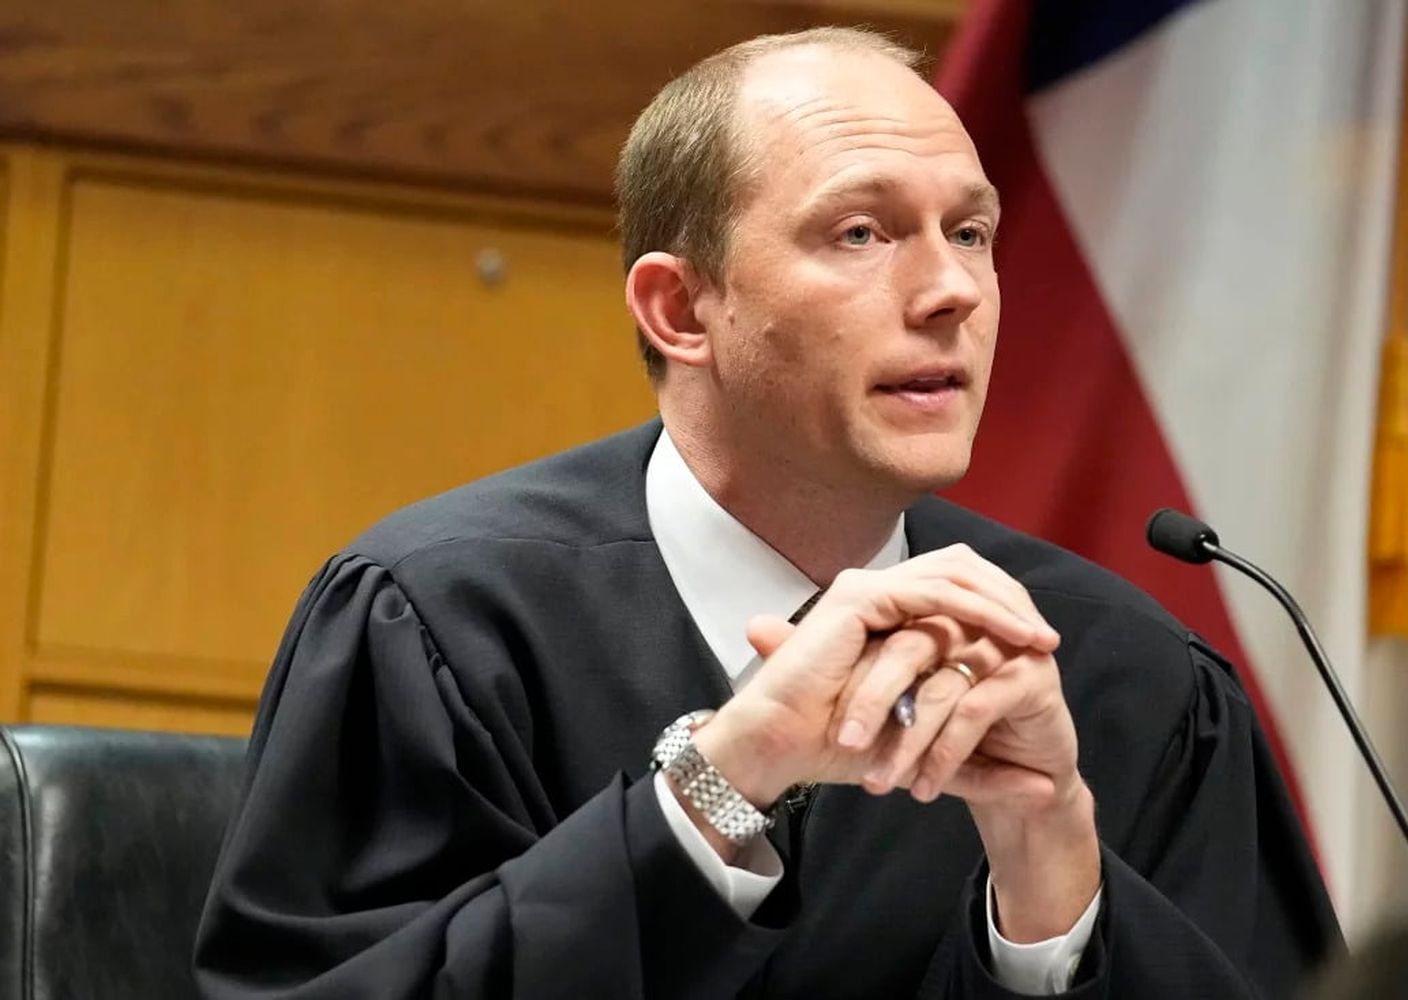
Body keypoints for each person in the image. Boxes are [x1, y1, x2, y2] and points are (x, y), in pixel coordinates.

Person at [194, 27, 1339, 998]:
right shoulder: (441, 623)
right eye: (862, 232)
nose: (951, 291)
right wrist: (716, 785)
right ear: (682, 307)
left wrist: (1055, 892)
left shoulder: (1121, 678)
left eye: (972, 232)